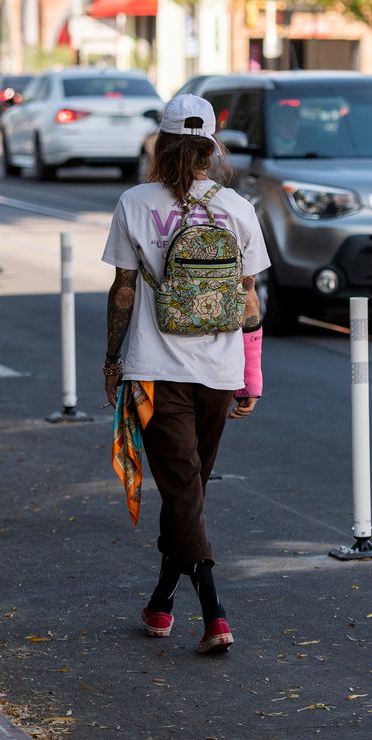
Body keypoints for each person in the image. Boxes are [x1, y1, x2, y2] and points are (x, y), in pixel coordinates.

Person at [102, 94, 271, 655]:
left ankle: (215, 614)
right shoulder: (238, 209)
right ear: (211, 147)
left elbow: (124, 289)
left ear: (163, 142)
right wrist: (253, 376)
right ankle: (161, 603)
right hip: (220, 372)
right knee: (187, 495)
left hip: (154, 369)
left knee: (183, 495)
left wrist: (112, 358)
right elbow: (248, 298)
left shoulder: (134, 202)